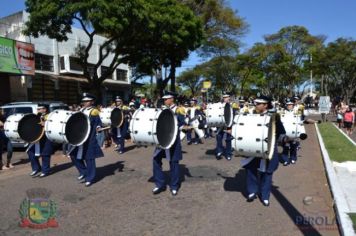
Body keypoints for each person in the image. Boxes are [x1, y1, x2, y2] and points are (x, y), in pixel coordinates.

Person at [241, 94, 286, 207]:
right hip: (253, 146)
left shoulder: (274, 116)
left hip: (268, 149)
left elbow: (281, 131)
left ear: (265, 105)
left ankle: (265, 196)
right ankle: (252, 191)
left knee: (267, 172)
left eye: (258, 103)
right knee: (251, 169)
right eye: (256, 103)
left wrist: (283, 138)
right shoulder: (250, 115)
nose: (255, 105)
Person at [152, 91, 185, 196]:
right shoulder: (162, 110)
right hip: (162, 140)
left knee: (174, 163)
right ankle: (159, 183)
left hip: (173, 141)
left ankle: (174, 186)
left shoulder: (179, 110)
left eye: (166, 99)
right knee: (156, 159)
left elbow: (182, 123)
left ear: (171, 99)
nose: (165, 101)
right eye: (164, 99)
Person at [69, 93, 104, 186]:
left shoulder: (94, 111)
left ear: (92, 102)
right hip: (79, 137)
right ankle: (84, 172)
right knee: (73, 156)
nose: (84, 103)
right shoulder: (81, 110)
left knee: (89, 159)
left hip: (89, 138)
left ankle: (90, 178)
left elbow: (98, 122)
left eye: (86, 101)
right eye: (83, 101)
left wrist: (99, 127)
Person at [27, 104, 54, 177]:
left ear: (45, 109)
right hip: (36, 138)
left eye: (39, 109)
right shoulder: (36, 116)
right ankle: (36, 168)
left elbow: (55, 125)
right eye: (37, 109)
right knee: (30, 152)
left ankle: (45, 171)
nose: (38, 110)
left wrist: (46, 124)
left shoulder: (50, 116)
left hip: (46, 138)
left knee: (45, 154)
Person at [280, 98, 299, 165]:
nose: (289, 106)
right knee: (285, 147)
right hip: (285, 133)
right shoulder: (282, 112)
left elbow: (299, 123)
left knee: (293, 146)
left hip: (294, 132)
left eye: (290, 105)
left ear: (293, 105)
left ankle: (293, 158)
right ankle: (285, 159)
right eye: (288, 105)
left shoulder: (296, 112)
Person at [215, 92, 233, 161]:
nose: (225, 98)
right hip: (220, 124)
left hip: (229, 124)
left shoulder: (232, 105)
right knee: (219, 138)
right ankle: (219, 151)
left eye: (226, 97)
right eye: (224, 97)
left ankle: (228, 154)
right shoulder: (220, 105)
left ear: (229, 98)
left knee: (228, 140)